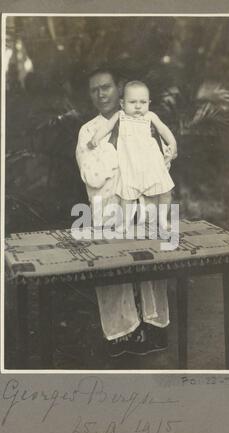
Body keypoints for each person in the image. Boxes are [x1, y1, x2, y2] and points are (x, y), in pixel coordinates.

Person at [75, 68, 176, 357]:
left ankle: (155, 327)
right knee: (114, 269)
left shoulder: (143, 121)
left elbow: (158, 162)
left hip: (144, 203)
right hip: (109, 206)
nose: (101, 93)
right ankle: (121, 333)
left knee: (150, 262)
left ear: (118, 90)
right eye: (94, 90)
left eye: (105, 87)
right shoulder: (90, 130)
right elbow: (91, 174)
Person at [87, 80, 177, 234]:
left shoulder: (150, 116)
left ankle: (163, 218)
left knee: (166, 191)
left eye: (143, 102)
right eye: (132, 102)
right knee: (126, 197)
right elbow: (107, 128)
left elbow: (163, 129)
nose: (138, 106)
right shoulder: (120, 116)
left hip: (152, 164)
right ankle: (124, 222)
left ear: (149, 102)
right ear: (122, 103)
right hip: (130, 165)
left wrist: (173, 143)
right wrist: (96, 137)